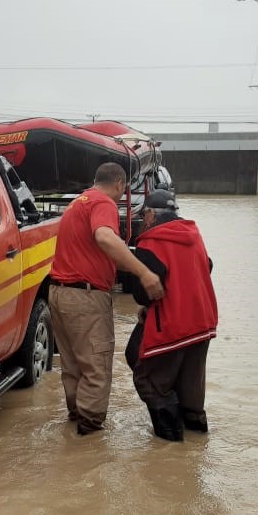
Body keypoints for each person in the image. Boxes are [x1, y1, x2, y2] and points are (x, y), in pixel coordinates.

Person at [48, 162, 164, 436]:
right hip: (85, 298)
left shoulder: (79, 203)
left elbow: (97, 249)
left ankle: (75, 424)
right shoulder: (104, 203)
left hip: (58, 294)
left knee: (73, 366)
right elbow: (105, 238)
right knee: (96, 366)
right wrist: (145, 273)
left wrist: (129, 263)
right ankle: (89, 438)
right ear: (120, 184)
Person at [124, 189, 218, 442]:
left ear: (152, 214)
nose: (144, 219)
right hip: (202, 322)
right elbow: (207, 266)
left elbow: (143, 294)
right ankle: (195, 446)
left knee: (149, 378)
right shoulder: (193, 235)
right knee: (191, 386)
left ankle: (170, 444)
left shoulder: (151, 241)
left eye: (144, 214)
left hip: (172, 325)